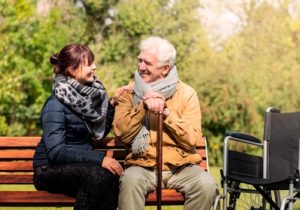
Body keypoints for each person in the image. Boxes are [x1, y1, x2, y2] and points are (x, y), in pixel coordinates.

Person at [113, 36, 217, 210]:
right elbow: (122, 134)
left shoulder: (187, 93)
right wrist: (143, 107)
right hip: (142, 166)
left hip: (181, 167)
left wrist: (167, 114)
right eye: (140, 60)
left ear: (165, 68)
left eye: (148, 63)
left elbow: (191, 139)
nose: (141, 67)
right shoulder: (128, 92)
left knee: (206, 184)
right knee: (130, 181)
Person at [33, 44, 127, 210]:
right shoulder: (54, 104)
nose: (94, 66)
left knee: (109, 179)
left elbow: (98, 133)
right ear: (72, 71)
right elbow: (56, 152)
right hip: (49, 169)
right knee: (97, 177)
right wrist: (100, 159)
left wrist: (112, 104)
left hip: (81, 167)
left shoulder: (86, 100)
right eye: (89, 63)